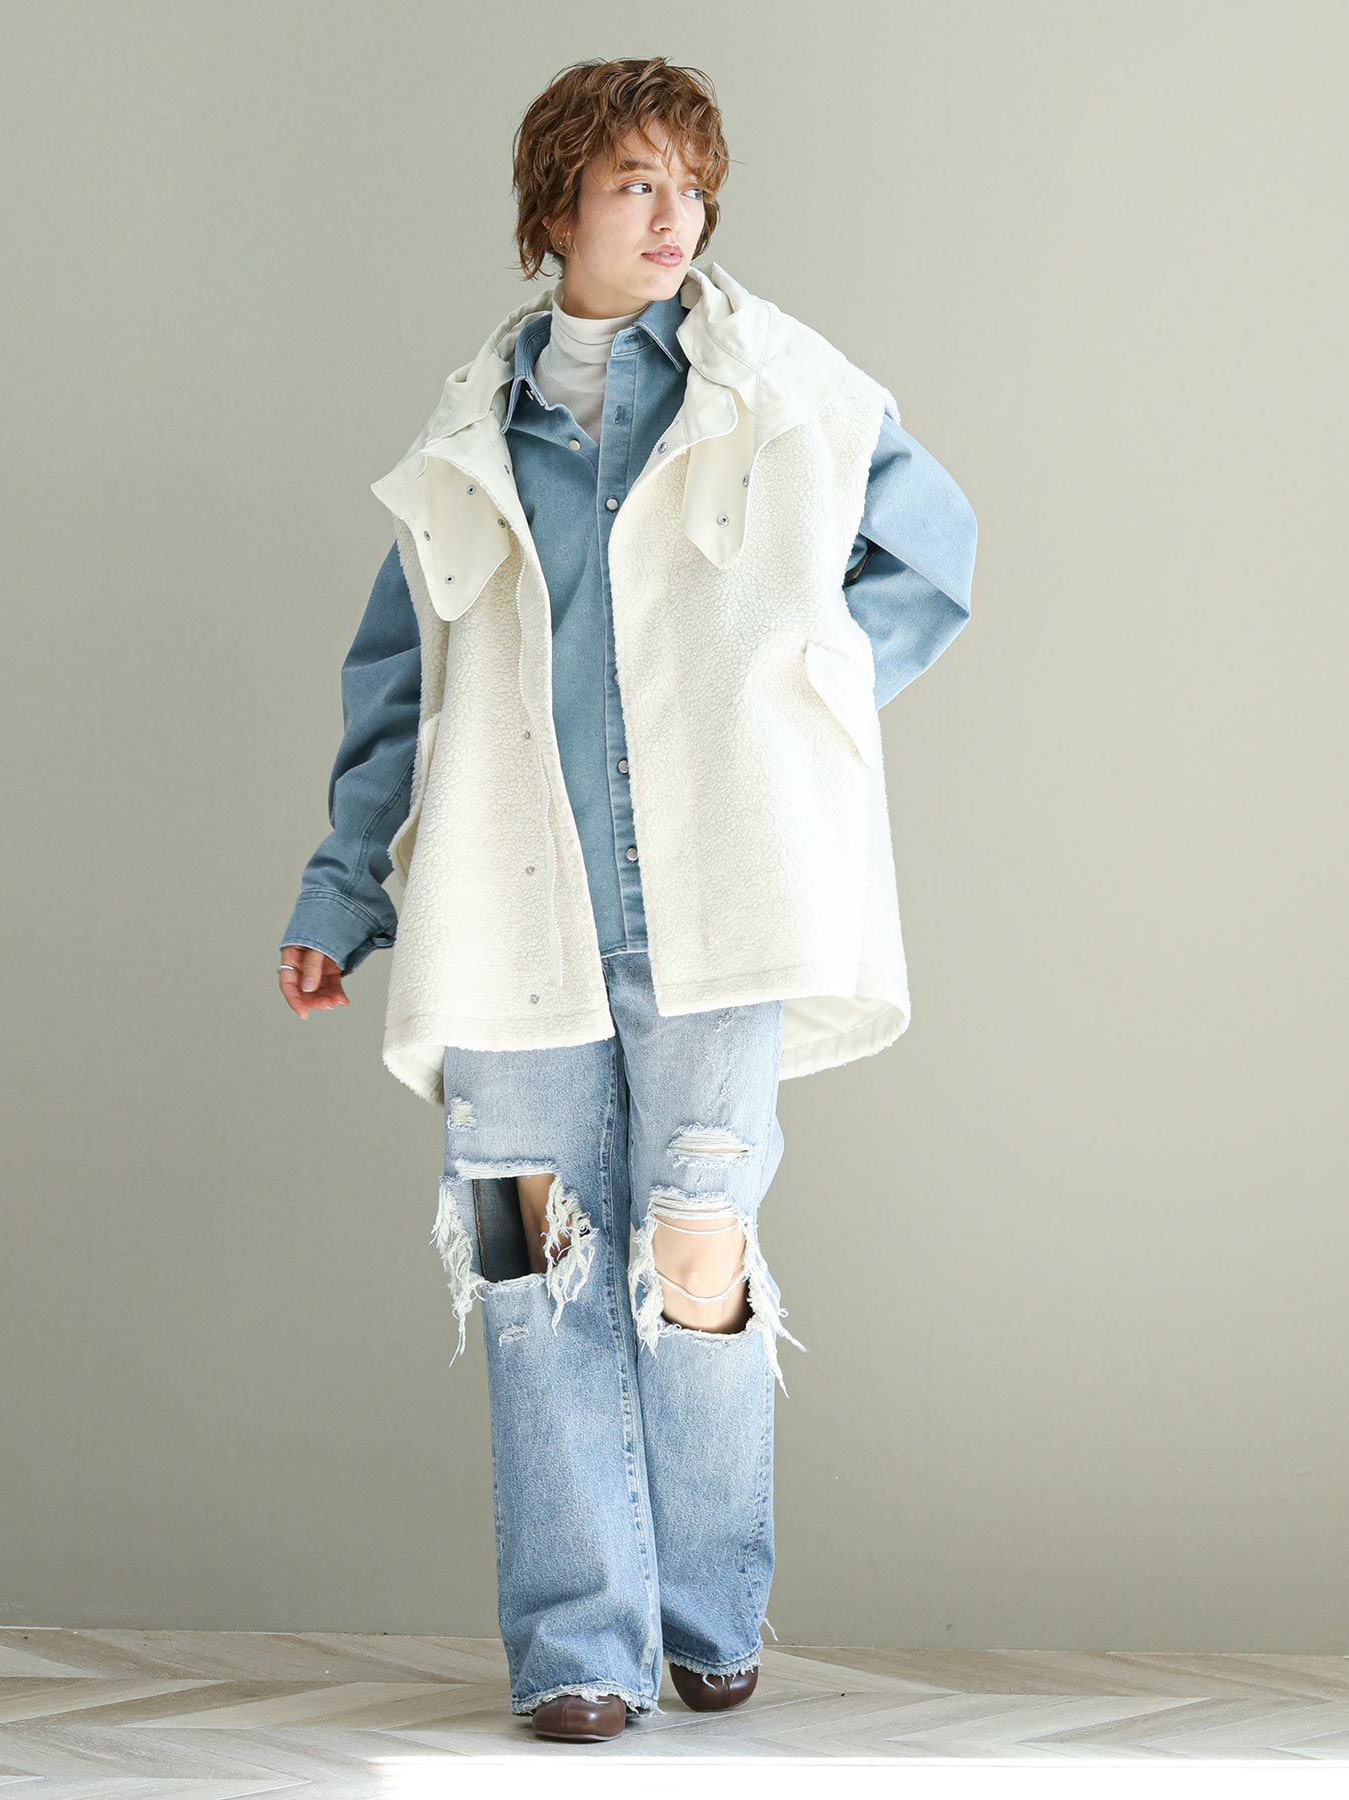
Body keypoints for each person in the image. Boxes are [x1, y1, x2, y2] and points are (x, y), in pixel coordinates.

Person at [277, 57, 977, 1744]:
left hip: (710, 913)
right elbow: (401, 682)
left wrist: (800, 716)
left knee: (693, 1253)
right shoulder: (471, 433)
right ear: (557, 209)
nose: (675, 217)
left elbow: (932, 552)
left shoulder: (775, 385)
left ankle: (707, 1608)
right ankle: (579, 1652)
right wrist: (339, 893)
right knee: (535, 1269)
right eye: (635, 184)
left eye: (691, 184)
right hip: (509, 915)